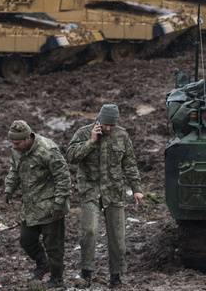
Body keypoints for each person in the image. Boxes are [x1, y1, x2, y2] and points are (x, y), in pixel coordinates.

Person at [66, 104, 143, 288]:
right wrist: (91, 141)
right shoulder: (84, 133)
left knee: (117, 236)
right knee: (90, 231)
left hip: (114, 192)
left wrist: (137, 188)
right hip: (90, 191)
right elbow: (71, 157)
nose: (108, 129)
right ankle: (86, 273)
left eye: (112, 126)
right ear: (99, 121)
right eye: (105, 125)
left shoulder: (122, 135)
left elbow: (130, 163)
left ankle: (116, 277)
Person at [3, 120, 71, 289]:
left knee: (54, 247)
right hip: (30, 207)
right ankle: (42, 263)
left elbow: (63, 177)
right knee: (26, 241)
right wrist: (8, 190)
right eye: (12, 143)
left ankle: (56, 279)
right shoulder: (17, 151)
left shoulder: (47, 150)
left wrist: (59, 203)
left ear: (27, 138)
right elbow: (14, 171)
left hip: (50, 208)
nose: (14, 146)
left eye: (17, 143)